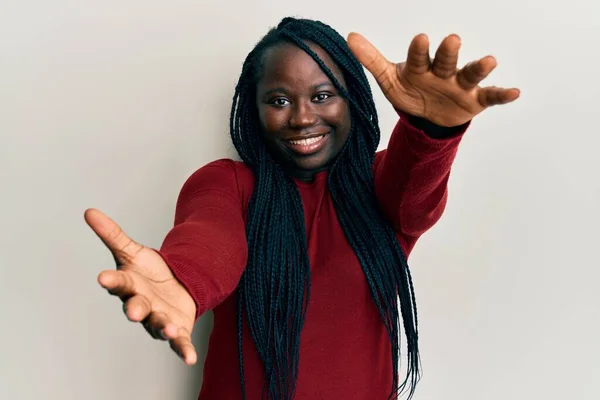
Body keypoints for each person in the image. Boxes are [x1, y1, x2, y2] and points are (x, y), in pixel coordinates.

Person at [84, 17, 519, 400]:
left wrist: (431, 129)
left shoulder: (382, 186)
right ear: (253, 111)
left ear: (353, 100)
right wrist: (183, 282)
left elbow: (417, 188)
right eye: (278, 100)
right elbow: (210, 239)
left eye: (323, 95)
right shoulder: (228, 183)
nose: (301, 118)